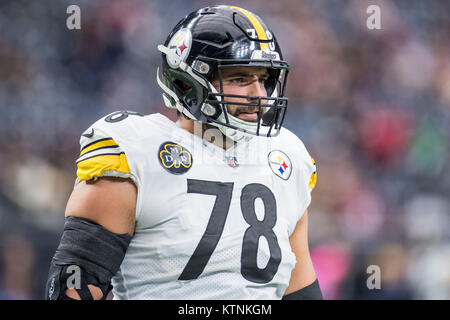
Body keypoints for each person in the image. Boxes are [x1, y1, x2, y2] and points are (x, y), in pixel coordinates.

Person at [45, 5, 322, 300]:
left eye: (264, 79)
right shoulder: (138, 152)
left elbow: (300, 289)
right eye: (240, 79)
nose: (259, 95)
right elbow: (74, 285)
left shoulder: (286, 155)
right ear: (185, 82)